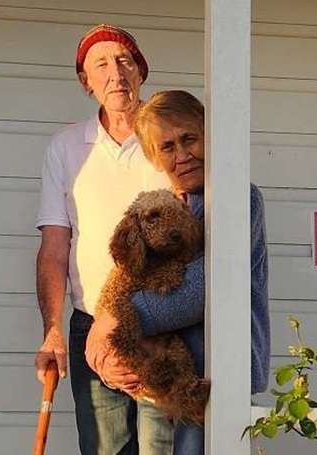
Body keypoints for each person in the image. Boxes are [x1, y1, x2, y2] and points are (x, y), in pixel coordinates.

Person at [85, 90, 270, 455]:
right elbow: (130, 274)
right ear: (153, 156)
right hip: (163, 378)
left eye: (190, 139)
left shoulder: (237, 199)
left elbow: (202, 290)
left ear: (210, 135)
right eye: (167, 147)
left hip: (215, 376)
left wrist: (113, 322)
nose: (182, 155)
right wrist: (109, 356)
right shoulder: (165, 208)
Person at [34, 24, 174, 454]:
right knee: (104, 450)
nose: (115, 72)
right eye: (101, 64)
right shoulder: (67, 146)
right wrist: (52, 331)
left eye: (125, 60)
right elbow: (55, 246)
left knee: (161, 449)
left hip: (163, 321)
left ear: (141, 73)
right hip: (89, 325)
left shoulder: (169, 140)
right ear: (86, 82)